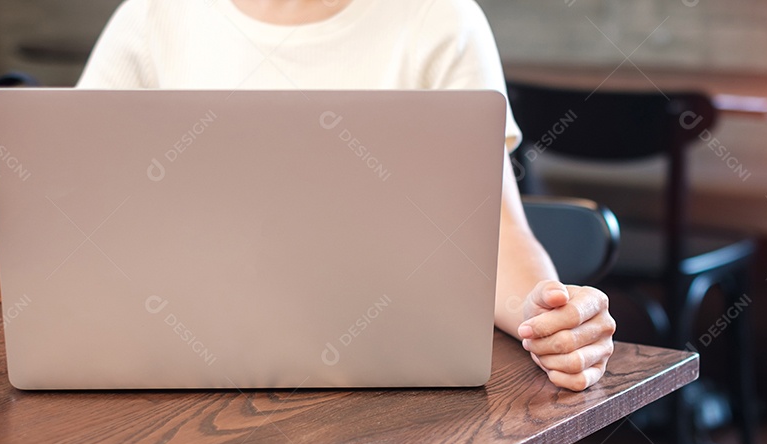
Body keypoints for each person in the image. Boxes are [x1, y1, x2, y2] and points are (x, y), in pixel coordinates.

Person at [79, 0, 616, 391]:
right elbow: (84, 214)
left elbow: (494, 234)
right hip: (182, 373)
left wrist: (548, 314)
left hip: (392, 381)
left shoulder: (439, 19)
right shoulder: (151, 17)